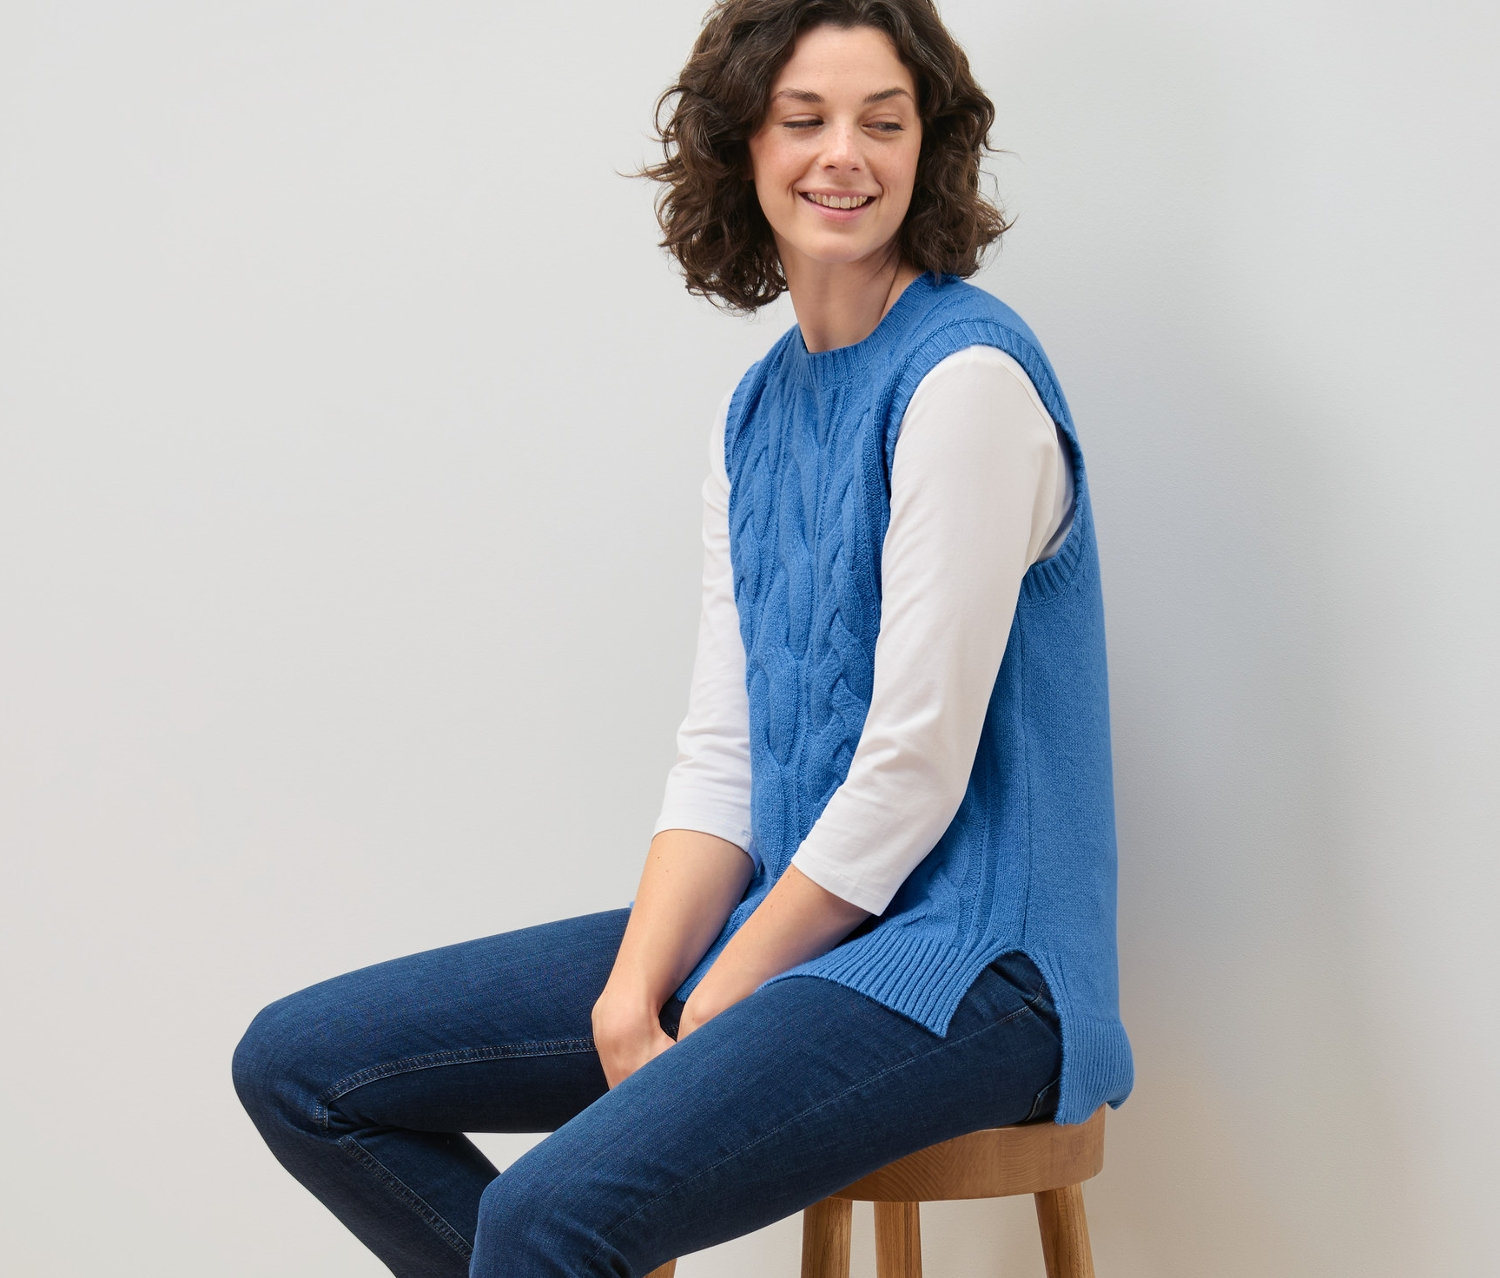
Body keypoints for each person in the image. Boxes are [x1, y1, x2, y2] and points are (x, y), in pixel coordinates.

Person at [230, 2, 1134, 1274]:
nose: (844, 155)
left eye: (883, 123)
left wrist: (714, 994)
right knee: (303, 1068)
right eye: (804, 119)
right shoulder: (757, 414)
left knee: (548, 1217)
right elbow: (725, 754)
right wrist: (632, 991)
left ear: (927, 149)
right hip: (814, 925)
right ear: (742, 145)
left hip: (981, 969)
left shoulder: (966, 384)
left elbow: (911, 772)